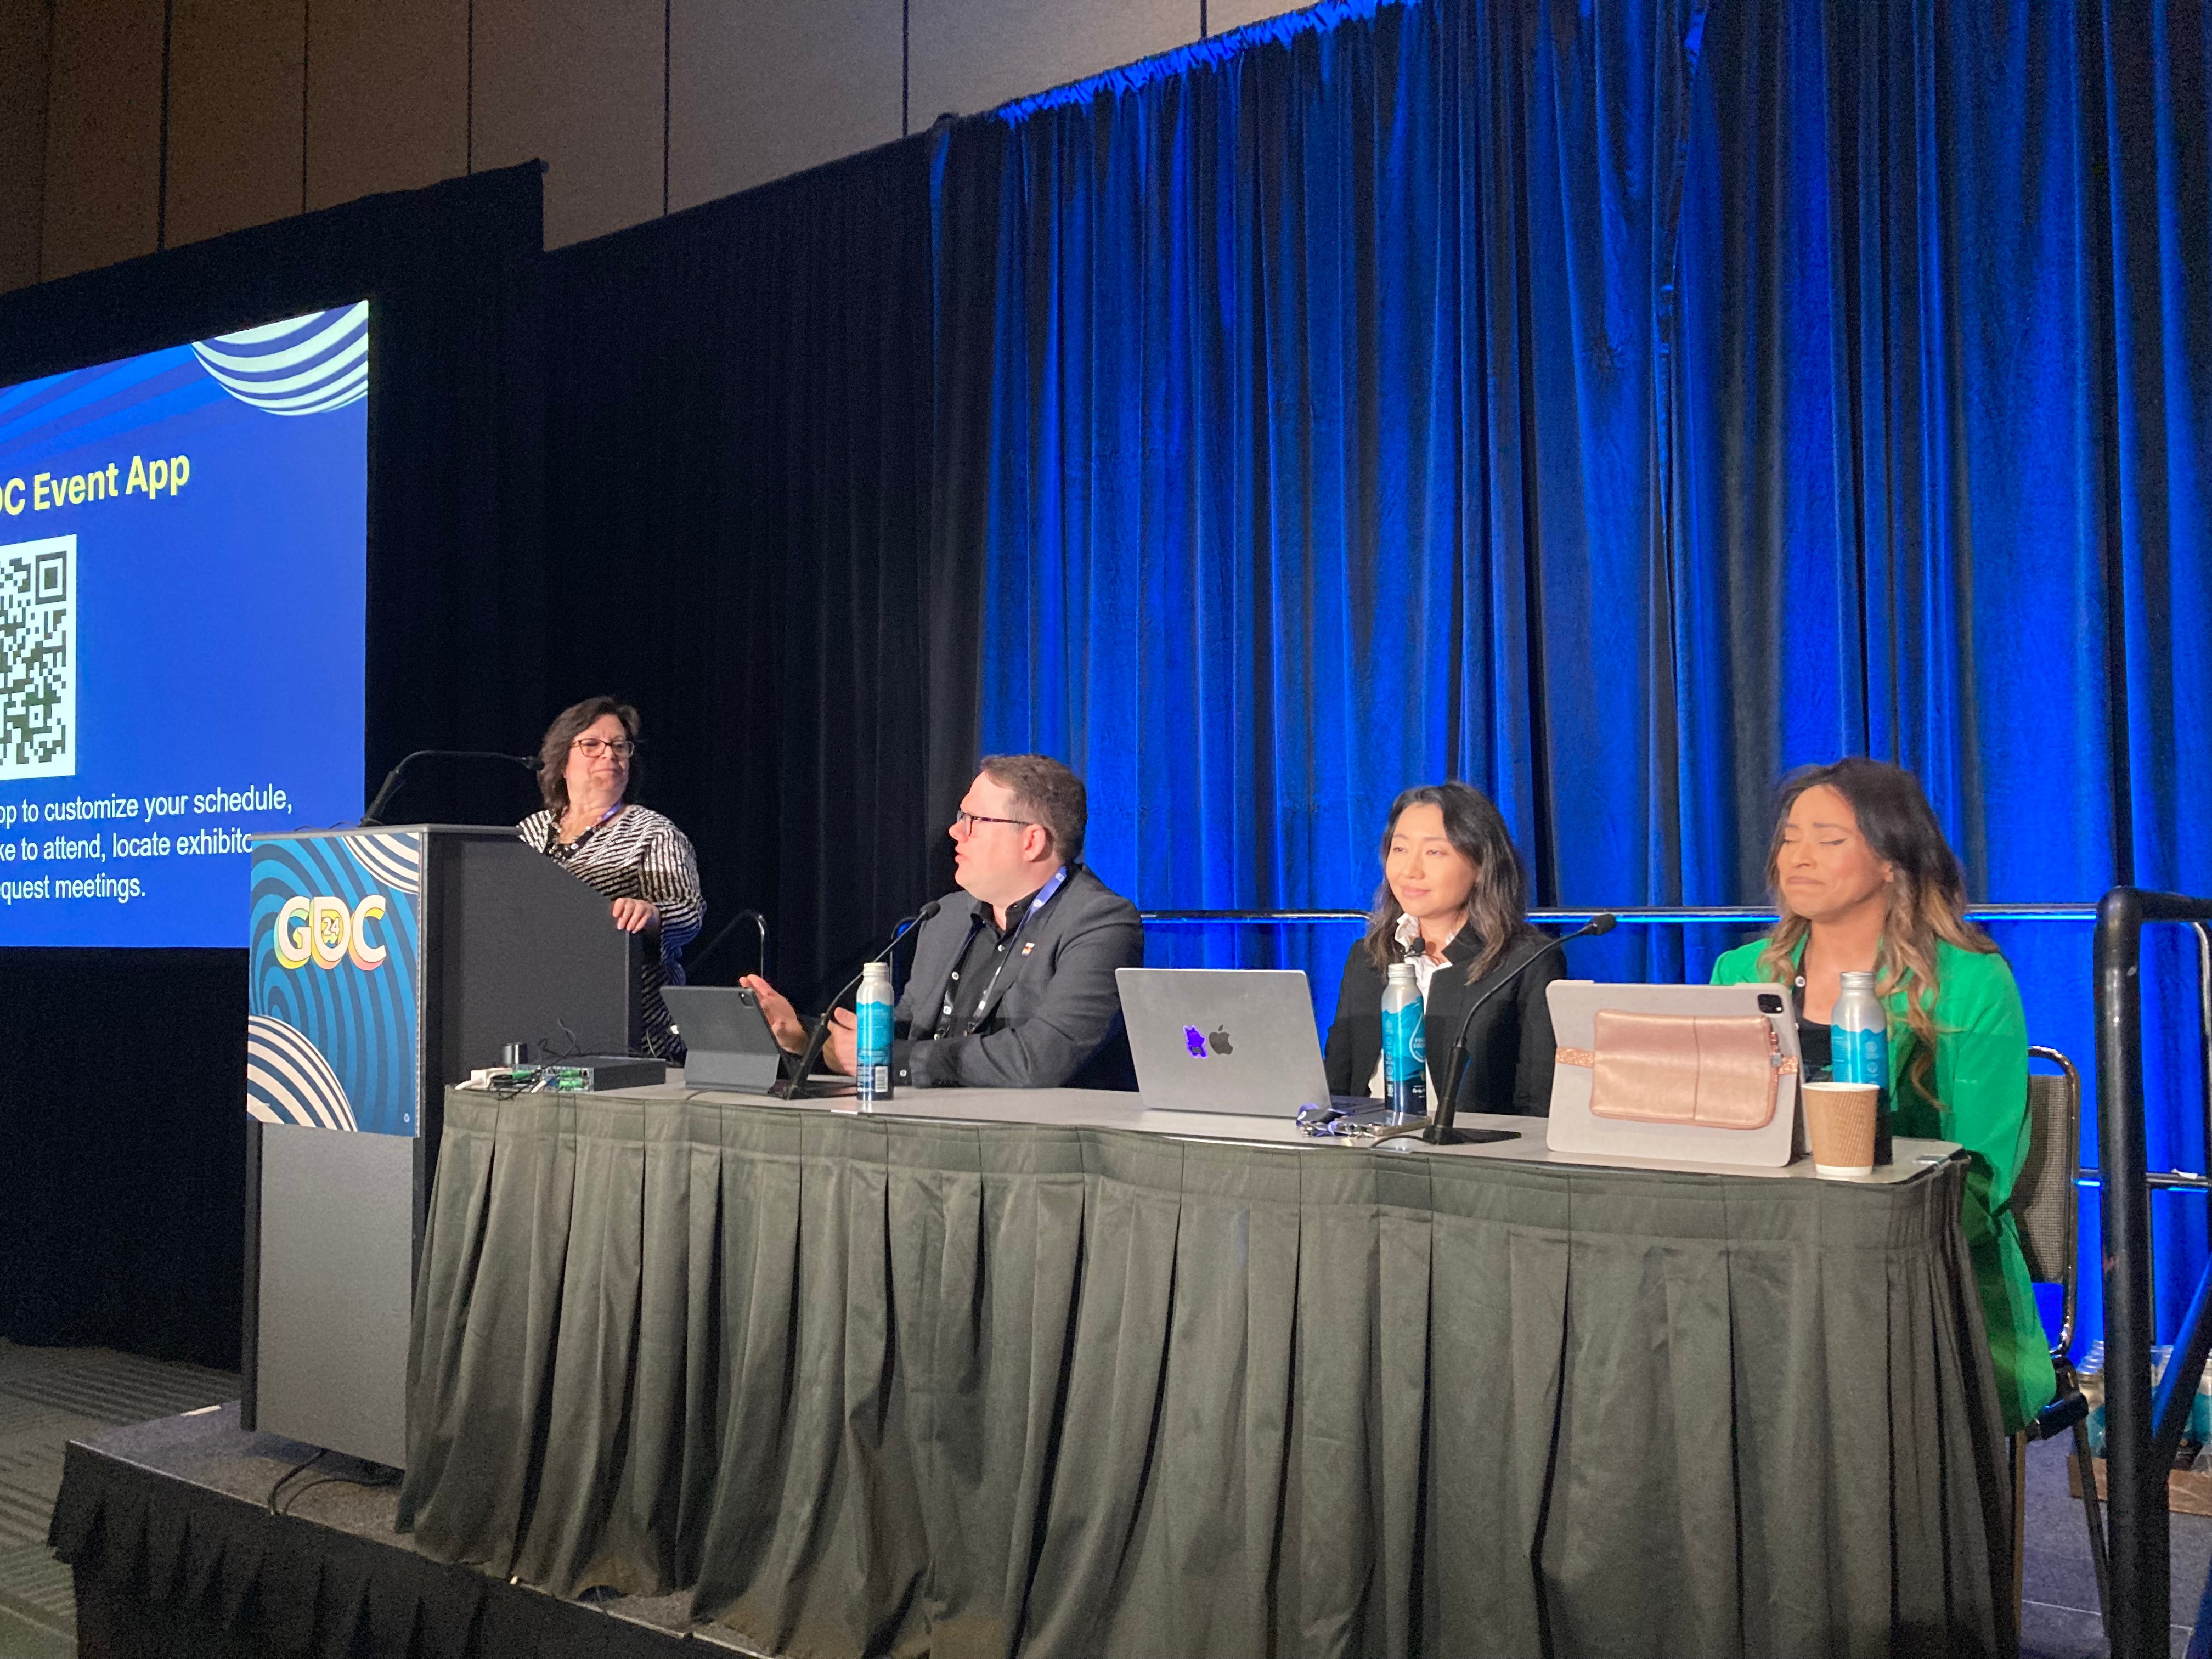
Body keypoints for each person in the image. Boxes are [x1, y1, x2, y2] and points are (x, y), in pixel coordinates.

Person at [1711, 757, 2056, 1436]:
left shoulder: (1970, 982)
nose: (1798, 856)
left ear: (1893, 861)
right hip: (1762, 1269)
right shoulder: (1740, 972)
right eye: (1789, 837)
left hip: (1916, 1277)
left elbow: (1981, 1178)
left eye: (1830, 840)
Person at [745, 754, 1143, 1089]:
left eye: (973, 820)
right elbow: (906, 1034)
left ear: (1032, 841)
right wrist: (806, 1037)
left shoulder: (1100, 923)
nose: (954, 832)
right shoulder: (946, 916)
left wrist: (889, 1060)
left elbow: (1040, 1059)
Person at [1323, 782, 1560, 1116]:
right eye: (1400, 849)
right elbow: (1335, 1087)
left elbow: (1538, 1105)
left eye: (1434, 852)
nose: (1410, 871)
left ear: (1481, 865)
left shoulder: (1526, 961)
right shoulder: (1366, 957)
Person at [518, 696, 704, 1061]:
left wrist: (651, 915)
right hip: (540, 1019)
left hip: (634, 1034)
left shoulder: (652, 832)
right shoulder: (529, 832)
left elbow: (687, 912)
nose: (610, 755)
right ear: (562, 760)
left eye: (620, 746)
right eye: (592, 745)